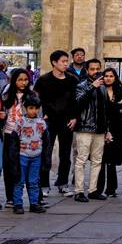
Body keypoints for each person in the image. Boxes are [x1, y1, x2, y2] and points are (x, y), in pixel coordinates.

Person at [35, 49, 78, 198]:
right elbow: (35, 99)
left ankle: (62, 183)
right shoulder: (44, 80)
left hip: (66, 121)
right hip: (49, 121)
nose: (66, 64)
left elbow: (76, 101)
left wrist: (74, 117)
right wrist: (41, 115)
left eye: (67, 61)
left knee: (65, 154)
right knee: (46, 153)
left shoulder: (72, 79)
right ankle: (44, 185)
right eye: (63, 61)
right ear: (54, 62)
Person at [73, 59, 111, 203]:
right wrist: (91, 87)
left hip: (100, 130)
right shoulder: (82, 85)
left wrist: (107, 129)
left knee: (97, 161)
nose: (95, 72)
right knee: (81, 160)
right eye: (92, 69)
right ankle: (78, 191)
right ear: (87, 70)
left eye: (97, 69)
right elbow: (78, 103)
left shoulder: (102, 88)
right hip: (85, 128)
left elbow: (105, 109)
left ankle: (93, 190)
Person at [1, 67, 32, 207]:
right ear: (14, 81)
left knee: (26, 167)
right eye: (20, 80)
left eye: (25, 80)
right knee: (8, 167)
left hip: (26, 137)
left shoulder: (32, 96)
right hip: (9, 134)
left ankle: (33, 197)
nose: (23, 83)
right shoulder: (6, 95)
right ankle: (10, 198)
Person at [96, 67, 122, 197]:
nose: (108, 78)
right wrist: (116, 105)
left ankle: (111, 188)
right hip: (101, 127)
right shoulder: (98, 90)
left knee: (112, 160)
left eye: (111, 76)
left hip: (117, 128)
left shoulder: (120, 90)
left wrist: (116, 106)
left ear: (115, 78)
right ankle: (98, 188)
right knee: (101, 159)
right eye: (106, 76)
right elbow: (101, 109)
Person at [14, 90, 47, 215]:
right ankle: (18, 204)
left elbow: (46, 139)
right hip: (22, 155)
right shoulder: (20, 122)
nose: (33, 111)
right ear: (25, 108)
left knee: (34, 181)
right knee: (19, 181)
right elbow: (14, 139)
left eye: (36, 108)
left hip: (36, 156)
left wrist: (45, 156)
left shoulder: (42, 123)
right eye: (31, 108)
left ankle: (34, 203)